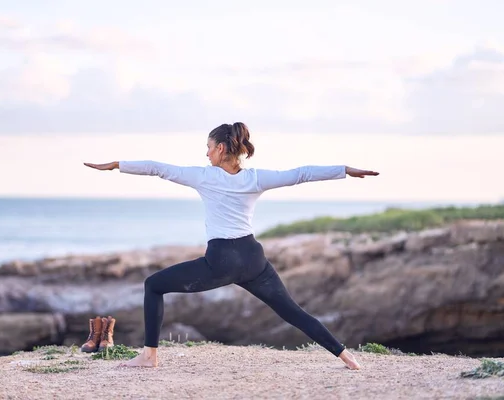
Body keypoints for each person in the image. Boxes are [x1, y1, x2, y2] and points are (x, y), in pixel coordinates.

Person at [84, 122, 379, 370]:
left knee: (153, 284)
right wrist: (345, 170)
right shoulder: (255, 177)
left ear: (221, 148)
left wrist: (115, 165)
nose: (207, 153)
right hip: (253, 259)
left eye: (209, 147)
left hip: (221, 261)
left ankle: (149, 356)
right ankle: (346, 356)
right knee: (293, 312)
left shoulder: (205, 176)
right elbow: (301, 174)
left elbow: (157, 168)